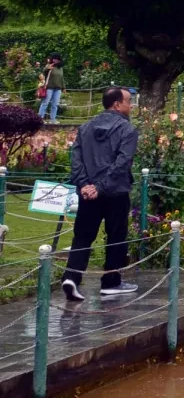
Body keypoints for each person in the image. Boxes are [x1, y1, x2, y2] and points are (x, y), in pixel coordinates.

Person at [61, 86, 140, 300]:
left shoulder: (85, 128)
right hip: (115, 192)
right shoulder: (128, 130)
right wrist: (99, 186)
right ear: (117, 104)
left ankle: (71, 277)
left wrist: (86, 184)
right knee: (116, 236)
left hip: (89, 194)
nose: (131, 105)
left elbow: (76, 160)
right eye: (128, 101)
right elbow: (122, 162)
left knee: (83, 236)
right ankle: (111, 282)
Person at [37, 53, 64, 124]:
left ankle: (53, 119)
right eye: (54, 58)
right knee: (45, 103)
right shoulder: (49, 65)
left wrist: (63, 87)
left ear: (59, 60)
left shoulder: (60, 68)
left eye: (57, 59)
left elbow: (62, 78)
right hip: (49, 87)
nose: (55, 60)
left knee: (55, 104)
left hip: (58, 88)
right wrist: (48, 68)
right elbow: (44, 72)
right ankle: (40, 118)